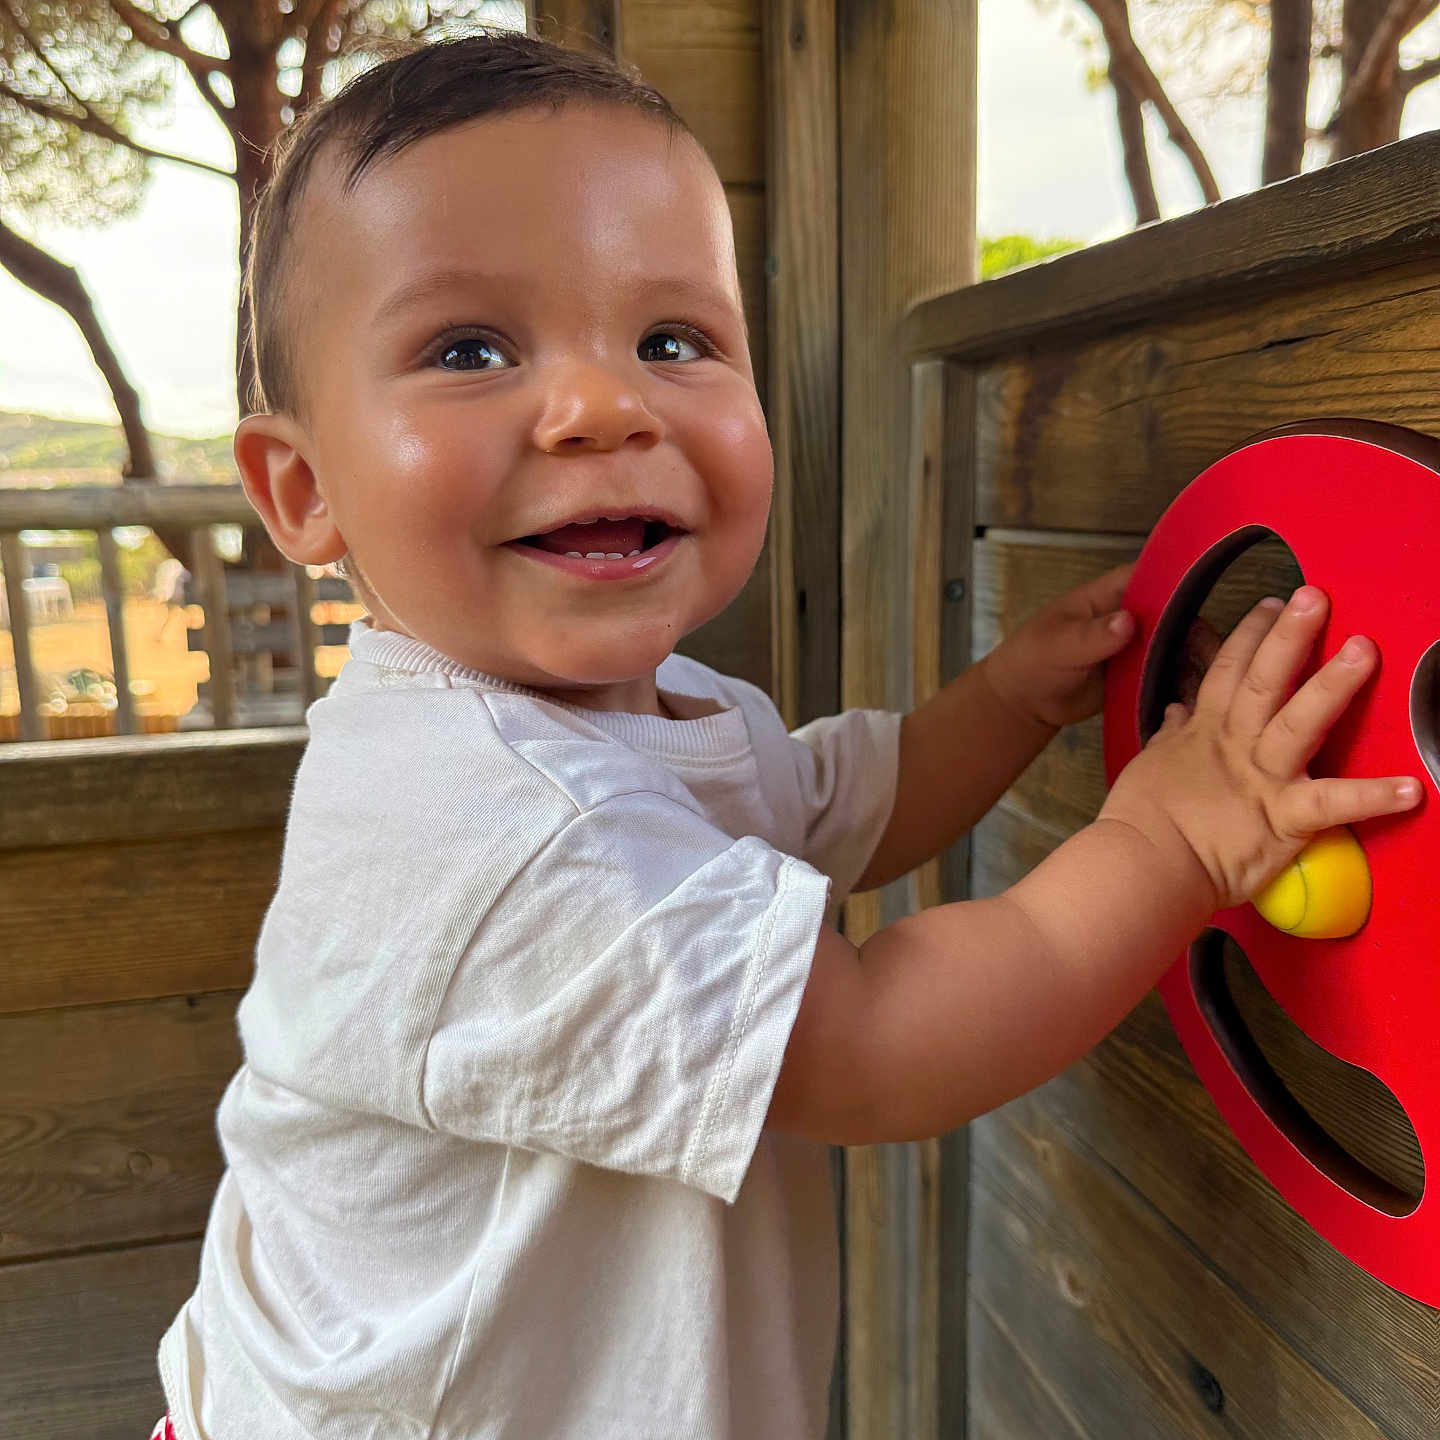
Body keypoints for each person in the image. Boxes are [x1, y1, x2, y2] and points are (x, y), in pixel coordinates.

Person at [153, 31, 1422, 1440]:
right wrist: (1172, 841)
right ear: (303, 487)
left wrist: (999, 704)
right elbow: (874, 1044)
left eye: (673, 340)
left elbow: (838, 801)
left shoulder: (652, 720)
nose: (602, 405)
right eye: (470, 348)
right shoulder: (486, 835)